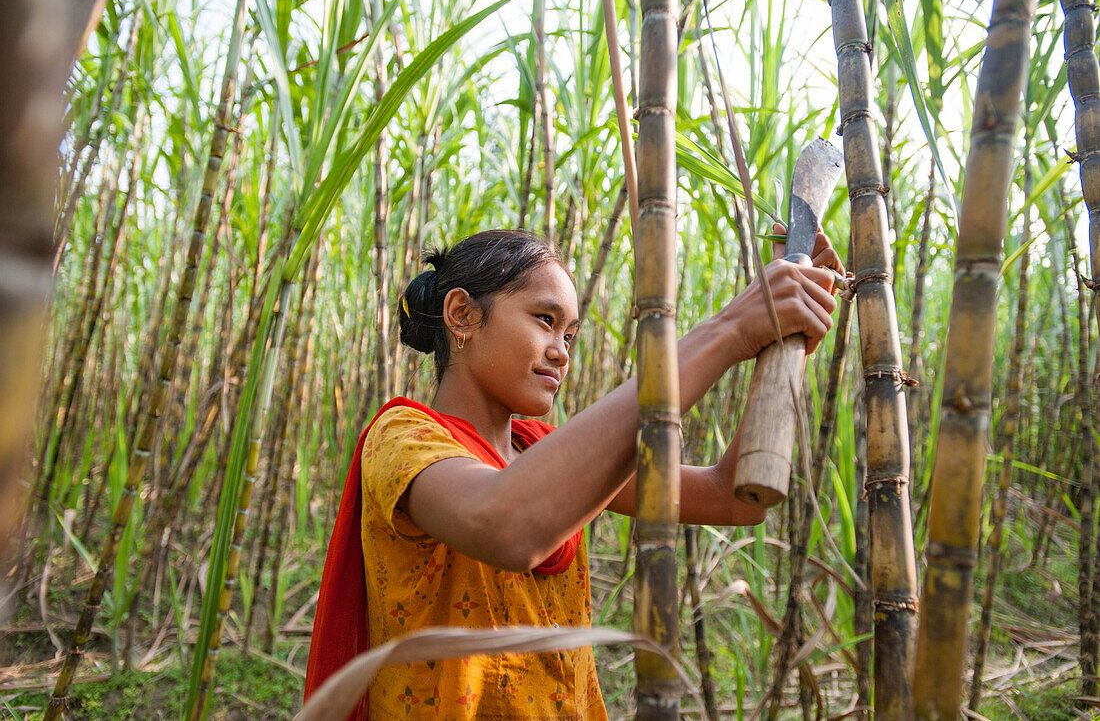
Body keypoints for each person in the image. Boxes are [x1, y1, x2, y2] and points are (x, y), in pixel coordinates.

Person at [305, 227, 843, 719]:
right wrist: (728, 330)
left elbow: (734, 498)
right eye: (545, 320)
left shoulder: (540, 451)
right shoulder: (403, 437)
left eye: (571, 335)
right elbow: (509, 525)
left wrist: (784, 341)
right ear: (463, 315)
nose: (561, 353)